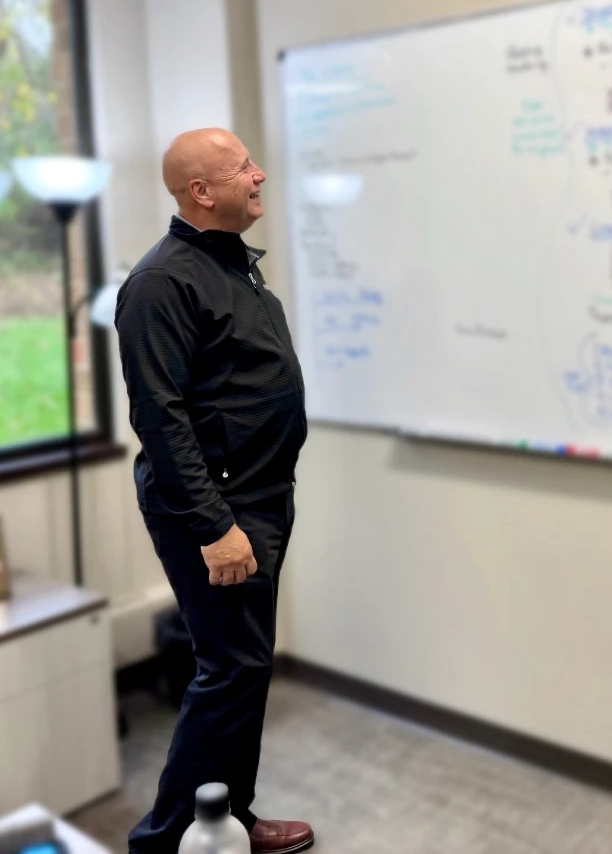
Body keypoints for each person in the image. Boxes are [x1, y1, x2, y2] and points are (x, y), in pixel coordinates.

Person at [116, 128, 313, 854]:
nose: (259, 174)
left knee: (245, 667)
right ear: (202, 191)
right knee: (229, 668)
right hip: (219, 510)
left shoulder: (230, 265)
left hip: (260, 497)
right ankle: (165, 840)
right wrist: (213, 526)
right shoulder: (162, 282)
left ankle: (229, 817)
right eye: (242, 169)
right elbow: (159, 418)